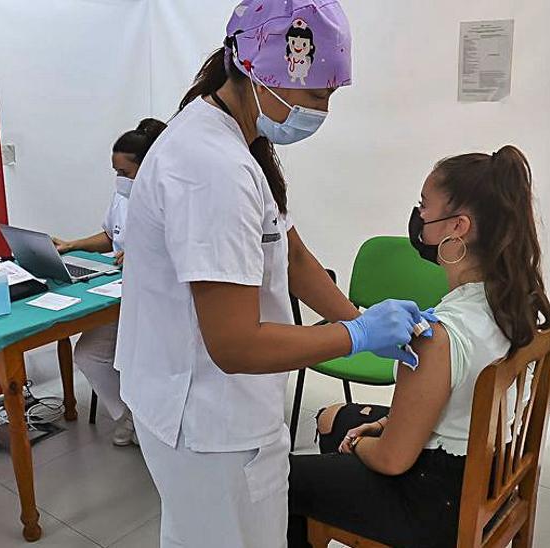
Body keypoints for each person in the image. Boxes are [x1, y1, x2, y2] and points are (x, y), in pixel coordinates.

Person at [115, 2, 433, 546]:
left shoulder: (236, 138)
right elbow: (234, 344)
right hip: (209, 418)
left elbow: (292, 257)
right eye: (315, 96)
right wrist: (354, 336)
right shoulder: (212, 168)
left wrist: (355, 317)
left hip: (199, 402)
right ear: (256, 70)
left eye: (331, 96)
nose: (322, 112)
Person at [287, 145, 550, 548]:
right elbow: (451, 408)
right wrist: (383, 426)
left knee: (282, 479)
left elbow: (394, 461)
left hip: (436, 505)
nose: (419, 218)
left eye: (423, 207)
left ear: (458, 227)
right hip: (487, 476)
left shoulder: (437, 335)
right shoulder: (516, 302)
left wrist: (360, 442)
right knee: (331, 417)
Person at [51, 118, 167, 446]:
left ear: (148, 166)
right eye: (115, 172)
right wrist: (72, 245)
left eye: (124, 173)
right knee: (88, 353)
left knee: (140, 358)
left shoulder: (171, 196)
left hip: (156, 301)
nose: (119, 180)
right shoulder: (121, 197)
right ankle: (130, 413)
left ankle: (153, 417)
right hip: (119, 295)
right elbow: (110, 235)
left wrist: (143, 255)